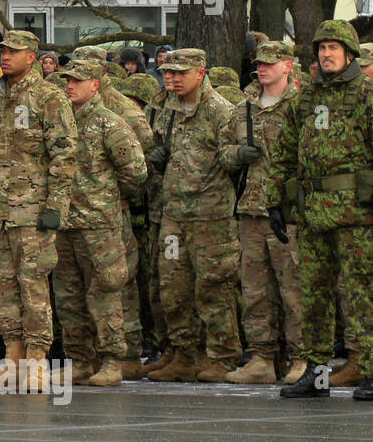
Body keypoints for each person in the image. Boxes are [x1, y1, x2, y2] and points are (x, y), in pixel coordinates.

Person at [269, 20, 373, 400]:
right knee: (313, 293)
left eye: (333, 47)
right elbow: (284, 152)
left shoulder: (366, 96)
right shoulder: (305, 98)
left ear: (349, 53)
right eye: (321, 48)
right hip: (313, 213)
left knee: (363, 292)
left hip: (358, 215)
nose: (326, 54)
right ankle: (317, 371)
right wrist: (275, 201)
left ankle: (371, 367)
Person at [0, 30, 77, 392]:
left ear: (31, 57)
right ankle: (12, 357)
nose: (5, 57)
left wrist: (56, 206)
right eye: (3, 50)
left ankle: (36, 361)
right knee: (1, 287)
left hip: (32, 212)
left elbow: (64, 153)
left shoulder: (48, 96)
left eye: (13, 52)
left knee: (32, 287)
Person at [145, 48, 241, 383]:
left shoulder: (220, 111)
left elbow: (231, 157)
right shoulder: (167, 108)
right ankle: (184, 353)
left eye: (179, 73)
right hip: (174, 213)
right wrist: (156, 157)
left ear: (200, 73)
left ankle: (222, 355)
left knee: (213, 288)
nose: (170, 78)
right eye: (168, 72)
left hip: (211, 215)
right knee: (173, 287)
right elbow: (158, 145)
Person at [52, 60, 148, 385]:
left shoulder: (109, 123)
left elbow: (136, 170)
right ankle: (80, 359)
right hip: (65, 224)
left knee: (105, 294)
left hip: (99, 225)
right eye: (68, 80)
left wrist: (106, 195)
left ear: (95, 84)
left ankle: (112, 361)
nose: (70, 85)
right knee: (68, 296)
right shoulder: (59, 121)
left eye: (78, 80)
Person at [219, 41, 305, 385]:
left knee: (294, 289)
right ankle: (262, 357)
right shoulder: (243, 109)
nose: (263, 69)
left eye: (271, 63)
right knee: (255, 291)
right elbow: (222, 154)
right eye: (260, 64)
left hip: (288, 212)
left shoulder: (301, 105)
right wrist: (239, 153)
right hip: (251, 209)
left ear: (288, 66)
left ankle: (301, 358)